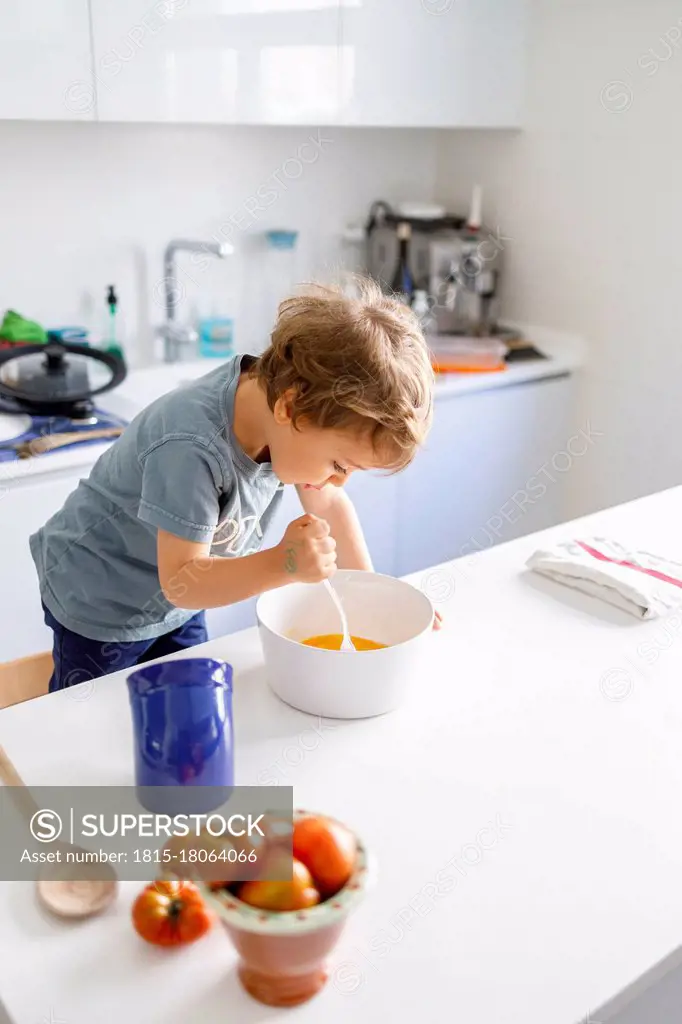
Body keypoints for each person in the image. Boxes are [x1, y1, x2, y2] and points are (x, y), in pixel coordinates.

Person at [30, 278, 438, 692]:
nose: (338, 480)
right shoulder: (190, 447)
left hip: (178, 600)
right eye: (338, 464)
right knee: (96, 722)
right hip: (102, 597)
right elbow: (183, 581)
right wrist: (285, 563)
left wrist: (370, 599)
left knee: (190, 700)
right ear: (290, 408)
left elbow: (329, 503)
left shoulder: (291, 418)